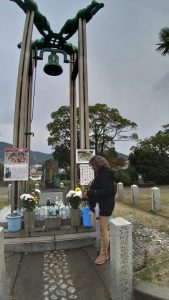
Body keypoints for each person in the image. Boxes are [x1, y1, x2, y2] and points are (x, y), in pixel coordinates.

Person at [82, 155, 115, 265]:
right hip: (97, 206)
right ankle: (103, 245)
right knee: (98, 228)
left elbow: (108, 191)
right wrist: (89, 194)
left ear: (97, 164)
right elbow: (99, 189)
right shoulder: (101, 174)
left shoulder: (105, 174)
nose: (91, 168)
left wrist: (91, 193)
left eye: (92, 165)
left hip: (104, 206)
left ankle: (104, 253)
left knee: (102, 230)